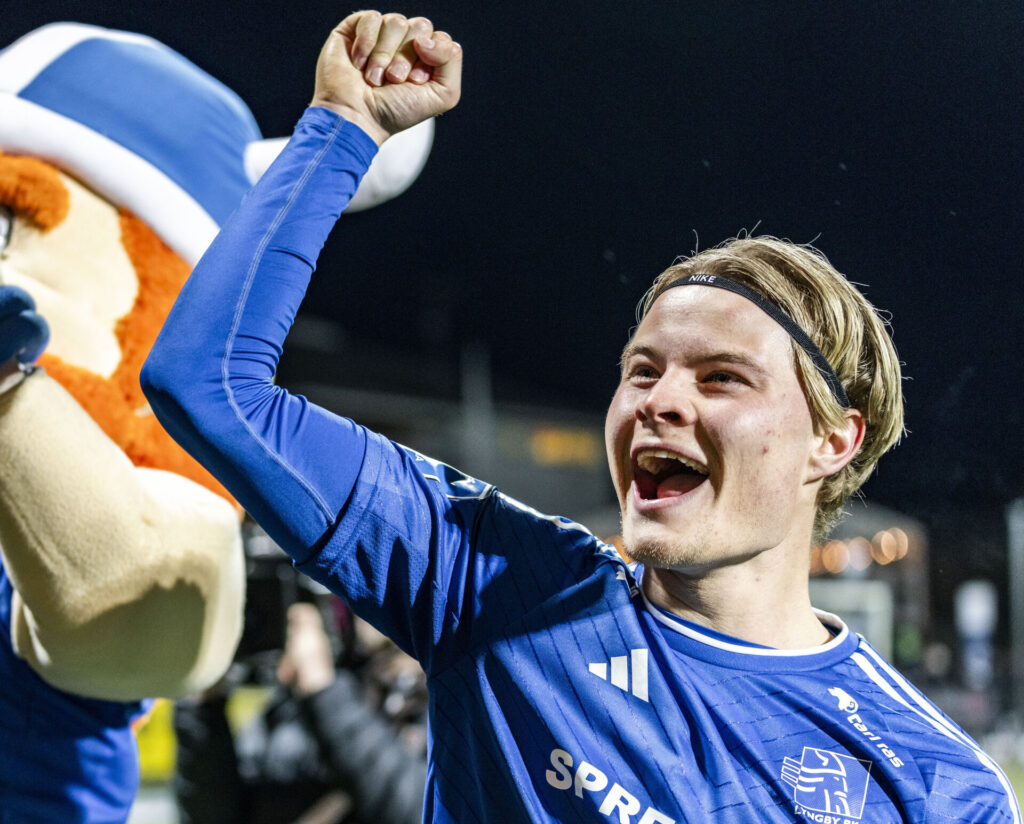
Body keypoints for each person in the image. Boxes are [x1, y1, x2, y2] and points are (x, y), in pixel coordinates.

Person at [141, 10, 1021, 823]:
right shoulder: (493, 582)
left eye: (721, 379)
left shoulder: (935, 782)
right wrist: (344, 128)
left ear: (832, 441)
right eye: (642, 370)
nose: (660, 400)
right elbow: (208, 382)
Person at [174, 600, 428, 824]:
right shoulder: (319, 689)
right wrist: (204, 709)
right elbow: (214, 814)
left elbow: (417, 810)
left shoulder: (451, 697)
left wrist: (324, 691)